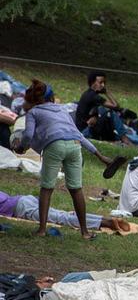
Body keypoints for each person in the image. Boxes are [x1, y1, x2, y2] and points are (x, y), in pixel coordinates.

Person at [16, 80, 113, 239]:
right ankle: (85, 232)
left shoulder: (34, 113)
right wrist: (100, 156)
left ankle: (41, 230)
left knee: (47, 188)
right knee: (76, 189)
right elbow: (78, 135)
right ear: (51, 97)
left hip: (55, 146)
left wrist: (22, 148)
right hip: (75, 146)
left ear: (32, 99)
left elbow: (27, 135)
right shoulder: (62, 110)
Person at [0, 190, 129, 232]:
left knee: (61, 218)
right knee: (63, 214)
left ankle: (105, 223)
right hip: (24, 200)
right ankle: (103, 220)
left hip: (21, 207)